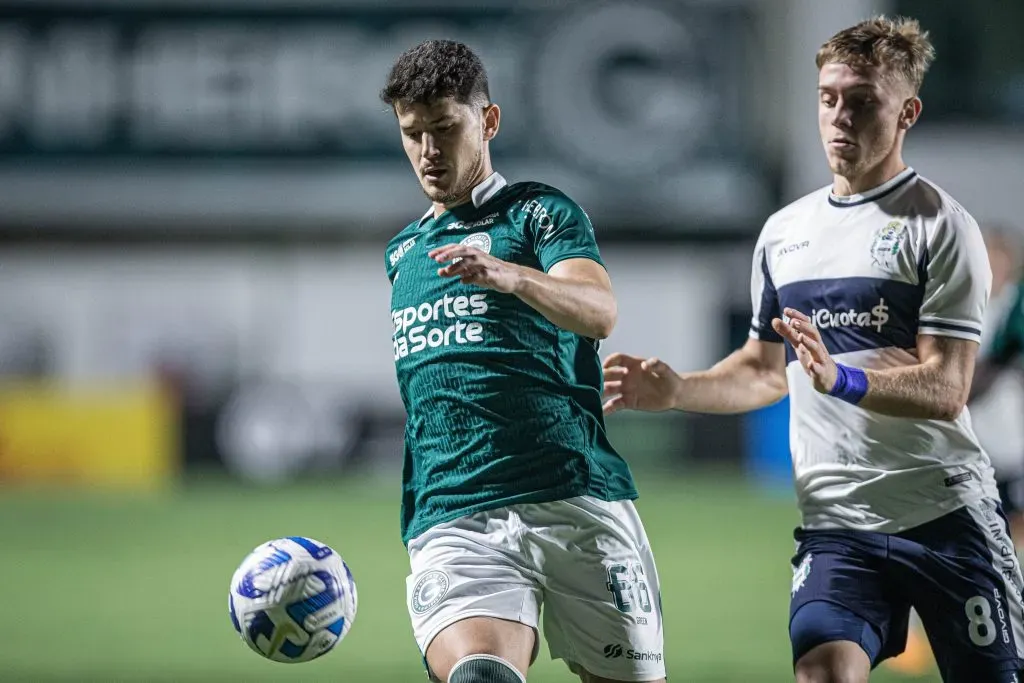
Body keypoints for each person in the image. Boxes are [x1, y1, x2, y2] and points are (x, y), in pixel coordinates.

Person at [602, 16, 1024, 683]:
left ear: (907, 111)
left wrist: (841, 379)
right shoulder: (784, 234)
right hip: (837, 526)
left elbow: (947, 387)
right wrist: (678, 389)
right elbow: (762, 371)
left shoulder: (941, 226)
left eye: (862, 102)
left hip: (944, 515)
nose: (839, 117)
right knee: (822, 671)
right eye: (828, 98)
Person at [380, 39, 666, 683]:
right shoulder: (403, 253)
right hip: (456, 512)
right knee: (481, 675)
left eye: (445, 128)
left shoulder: (540, 214)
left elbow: (599, 310)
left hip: (574, 499)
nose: (428, 151)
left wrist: (511, 277)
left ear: (488, 121)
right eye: (412, 133)